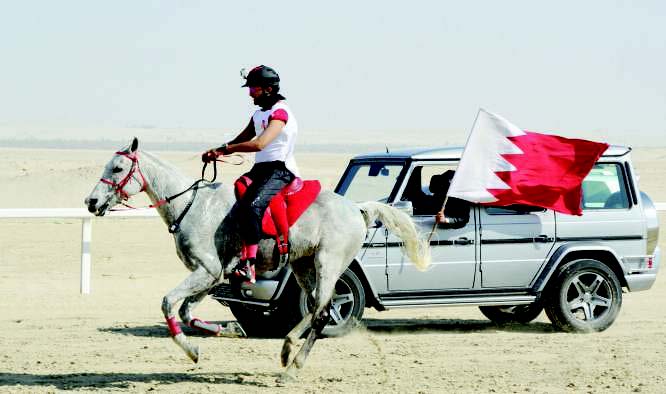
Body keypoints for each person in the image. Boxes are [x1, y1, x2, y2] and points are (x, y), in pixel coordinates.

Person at [202, 65, 299, 283]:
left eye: (253, 88)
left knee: (252, 205)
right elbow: (240, 138)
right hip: (261, 169)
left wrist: (228, 149)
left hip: (280, 170)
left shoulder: (280, 113)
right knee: (236, 198)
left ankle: (250, 265)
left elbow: (260, 143)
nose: (249, 93)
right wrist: (217, 150)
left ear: (267, 89)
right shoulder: (259, 114)